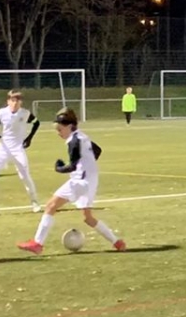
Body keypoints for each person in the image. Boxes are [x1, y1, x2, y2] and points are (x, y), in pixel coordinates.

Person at [16, 109, 125, 255]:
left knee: (50, 206)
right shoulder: (82, 136)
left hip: (80, 182)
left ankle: (37, 244)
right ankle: (117, 242)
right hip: (91, 181)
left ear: (69, 126)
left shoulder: (73, 141)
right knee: (88, 218)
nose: (58, 133)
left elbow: (72, 166)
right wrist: (87, 163)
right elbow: (97, 150)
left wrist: (59, 168)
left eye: (60, 129)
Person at [0, 89, 42, 215]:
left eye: (17, 101)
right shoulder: (1, 113)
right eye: (12, 100)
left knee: (24, 175)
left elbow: (37, 123)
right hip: (3, 148)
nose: (15, 103)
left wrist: (29, 138)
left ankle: (35, 202)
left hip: (18, 148)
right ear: (8, 101)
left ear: (21, 102)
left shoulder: (25, 113)